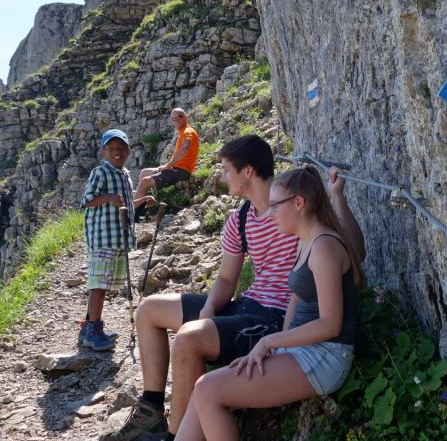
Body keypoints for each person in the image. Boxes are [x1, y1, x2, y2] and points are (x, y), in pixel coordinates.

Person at [100, 135, 363, 441]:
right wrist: (210, 311)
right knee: (151, 312)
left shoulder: (303, 225)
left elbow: (350, 252)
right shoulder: (245, 221)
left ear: (247, 171)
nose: (222, 177)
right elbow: (228, 280)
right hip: (256, 312)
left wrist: (272, 342)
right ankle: (152, 412)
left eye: (226, 169)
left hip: (282, 327)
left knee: (192, 351)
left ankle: (171, 432)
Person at [175, 165, 365, 441]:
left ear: (298, 203)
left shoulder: (323, 246)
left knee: (208, 390)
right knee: (201, 391)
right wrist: (280, 346)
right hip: (299, 349)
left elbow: (330, 324)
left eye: (276, 206)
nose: (270, 213)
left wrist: (268, 342)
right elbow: (295, 299)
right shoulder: (305, 240)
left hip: (325, 356)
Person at [79, 129, 153, 351]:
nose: (116, 152)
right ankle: (93, 332)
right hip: (103, 237)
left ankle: (87, 328)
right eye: (111, 148)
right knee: (99, 284)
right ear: (104, 151)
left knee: (104, 282)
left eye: (121, 148)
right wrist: (108, 197)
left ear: (128, 150)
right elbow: (86, 201)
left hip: (118, 238)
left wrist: (142, 199)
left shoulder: (125, 174)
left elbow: (126, 203)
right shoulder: (100, 172)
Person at [134, 108, 199, 220]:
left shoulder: (188, 131)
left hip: (181, 171)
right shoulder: (182, 131)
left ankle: (133, 214)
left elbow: (185, 147)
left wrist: (169, 164)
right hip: (176, 168)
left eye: (178, 117)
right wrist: (167, 166)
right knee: (144, 172)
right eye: (173, 119)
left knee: (145, 182)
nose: (175, 121)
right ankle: (142, 208)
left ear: (185, 118)